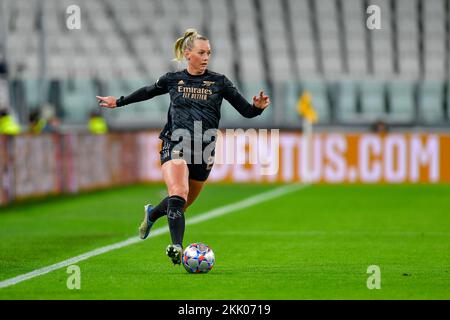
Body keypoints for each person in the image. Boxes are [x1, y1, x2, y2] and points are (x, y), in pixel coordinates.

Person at [96, 28, 270, 265]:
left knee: (181, 204)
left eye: (209, 52)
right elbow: (148, 91)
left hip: (204, 149)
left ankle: (152, 213)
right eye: (201, 52)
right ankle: (177, 247)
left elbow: (246, 112)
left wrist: (257, 107)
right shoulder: (173, 79)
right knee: (179, 191)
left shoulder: (220, 82)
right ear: (188, 54)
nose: (206, 57)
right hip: (175, 142)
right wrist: (119, 101)